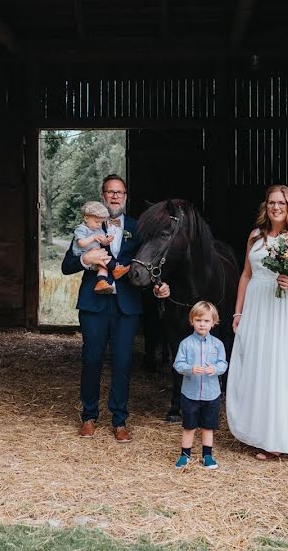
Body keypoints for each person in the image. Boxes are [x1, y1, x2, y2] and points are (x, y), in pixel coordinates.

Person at [62, 174, 170, 443]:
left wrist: (159, 285)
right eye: (110, 192)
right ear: (102, 196)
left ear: (125, 197)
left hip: (127, 306)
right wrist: (85, 258)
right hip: (94, 304)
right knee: (91, 359)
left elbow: (152, 262)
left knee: (122, 362)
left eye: (119, 192)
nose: (114, 196)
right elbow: (66, 266)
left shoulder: (138, 228)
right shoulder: (86, 227)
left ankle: (119, 420)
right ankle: (88, 417)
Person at [226, 184, 288, 460]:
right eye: (271, 203)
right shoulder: (255, 236)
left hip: (283, 311)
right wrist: (238, 312)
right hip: (256, 306)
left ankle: (279, 439)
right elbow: (245, 275)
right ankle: (256, 432)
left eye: (281, 203)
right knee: (256, 365)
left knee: (280, 368)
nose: (275, 207)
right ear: (265, 207)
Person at [172, 301, 228, 470]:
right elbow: (177, 364)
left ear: (213, 322)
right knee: (189, 426)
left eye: (206, 321)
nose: (202, 324)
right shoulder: (186, 343)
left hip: (211, 394)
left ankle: (207, 456)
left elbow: (223, 363)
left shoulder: (217, 344)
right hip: (190, 393)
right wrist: (190, 369)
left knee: (207, 426)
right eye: (198, 320)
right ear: (192, 321)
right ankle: (185, 455)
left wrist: (215, 369)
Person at [72, 200, 130, 294]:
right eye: (96, 222)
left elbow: (103, 242)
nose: (99, 225)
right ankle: (116, 269)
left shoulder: (97, 228)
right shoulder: (81, 229)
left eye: (101, 222)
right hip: (84, 253)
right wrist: (92, 238)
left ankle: (101, 283)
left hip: (98, 256)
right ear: (86, 218)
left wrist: (107, 240)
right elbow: (81, 243)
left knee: (102, 267)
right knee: (103, 256)